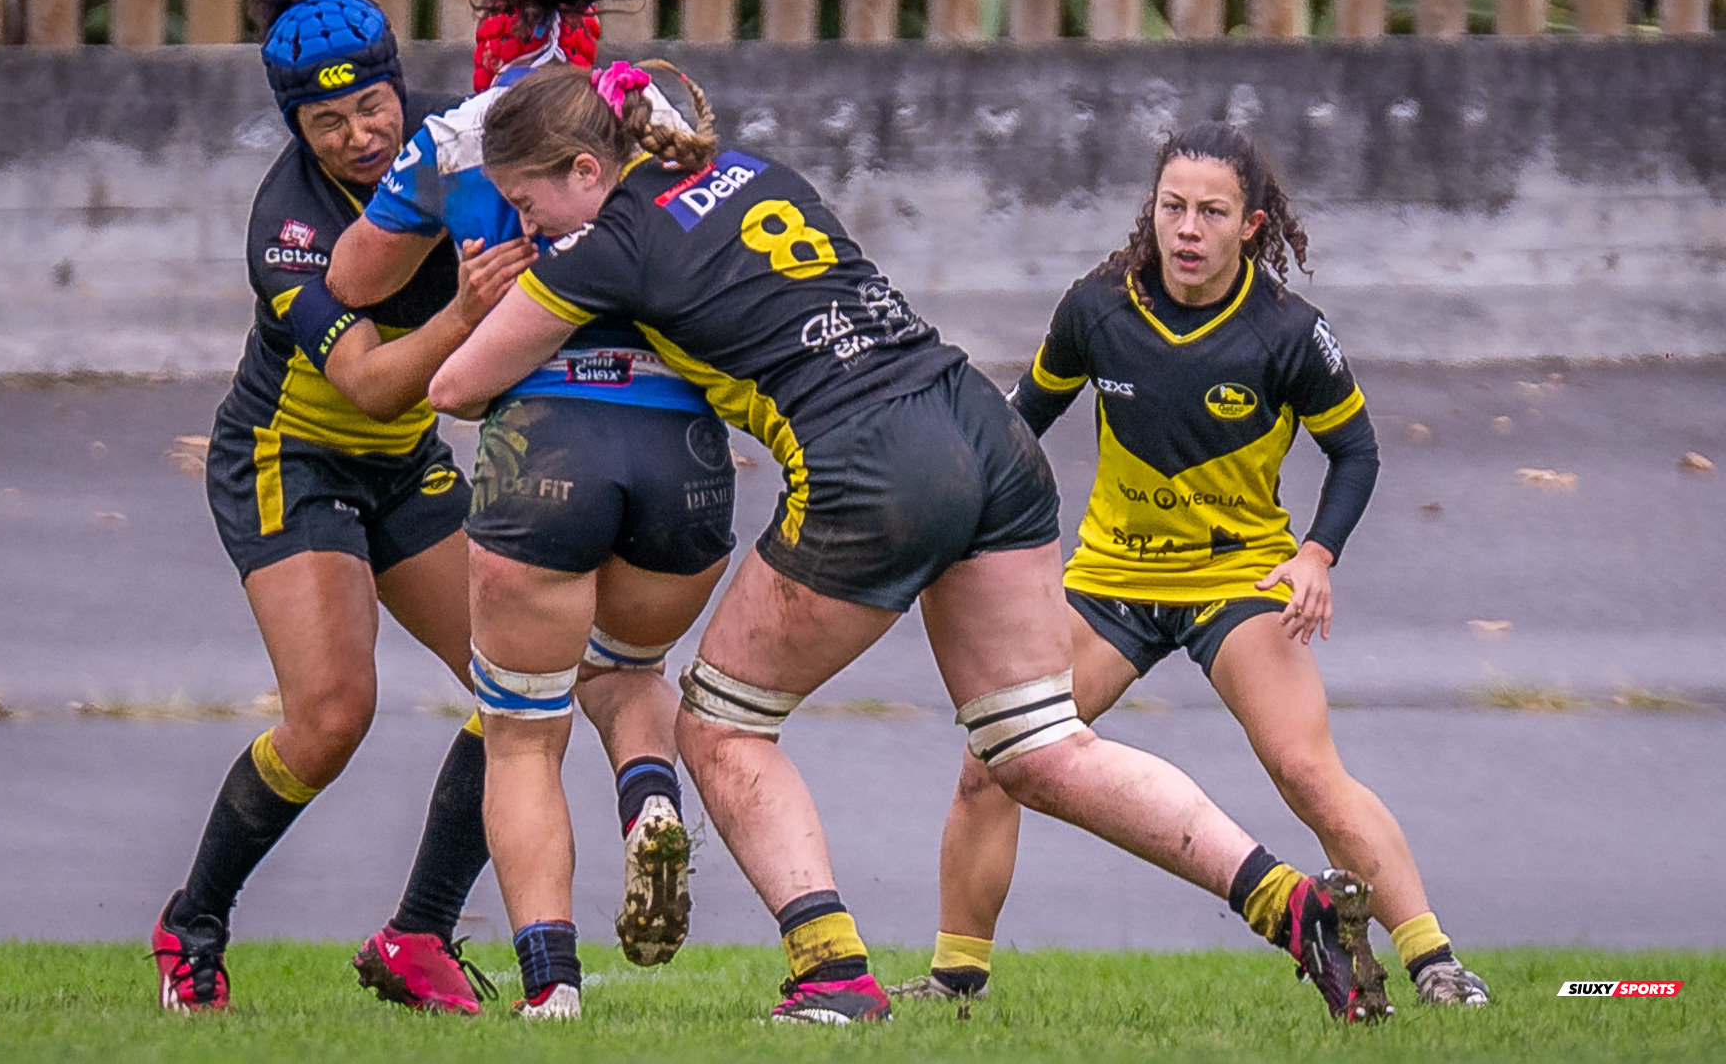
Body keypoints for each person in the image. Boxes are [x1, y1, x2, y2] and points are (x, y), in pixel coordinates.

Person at [427, 65, 1395, 1025]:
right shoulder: (753, 168)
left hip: (868, 462)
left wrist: (485, 298)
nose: (526, 226)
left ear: (589, 171)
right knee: (1042, 743)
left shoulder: (605, 245)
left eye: (529, 202)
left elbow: (457, 388)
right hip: (980, 424)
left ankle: (831, 971)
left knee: (719, 724)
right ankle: (1290, 899)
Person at [885, 122, 1490, 1009]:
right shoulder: (1097, 307)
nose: (1188, 229)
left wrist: (1318, 552)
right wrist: (951, 504)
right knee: (995, 760)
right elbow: (1020, 425)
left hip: (1239, 584)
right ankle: (954, 978)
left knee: (1308, 773)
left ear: (1250, 224)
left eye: (1212, 211)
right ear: (1154, 210)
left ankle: (1436, 962)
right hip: (1112, 584)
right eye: (1174, 207)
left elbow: (1355, 453)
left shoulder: (1289, 333)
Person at [327, 0, 735, 1021]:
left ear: (489, 48)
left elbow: (354, 275)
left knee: (521, 727)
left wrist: (457, 262)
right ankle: (649, 796)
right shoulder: (649, 125)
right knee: (627, 671)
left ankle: (553, 984)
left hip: (540, 454)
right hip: (684, 461)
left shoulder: (457, 142)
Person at [151, 0, 531, 1015]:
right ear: (295, 128)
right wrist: (463, 314)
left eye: (372, 106)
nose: (361, 136)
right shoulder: (289, 227)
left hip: (403, 464)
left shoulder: (456, 143)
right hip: (291, 458)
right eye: (328, 123)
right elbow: (368, 384)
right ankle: (193, 923)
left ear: (398, 86)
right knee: (330, 715)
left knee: (524, 680)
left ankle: (418, 933)